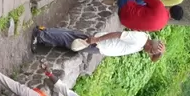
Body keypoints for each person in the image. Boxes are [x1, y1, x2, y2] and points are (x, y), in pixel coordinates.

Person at [31, 26, 165, 61]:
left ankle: (44, 33)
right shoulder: (140, 39)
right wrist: (96, 40)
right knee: (70, 41)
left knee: (71, 37)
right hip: (100, 44)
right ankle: (40, 35)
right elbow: (117, 34)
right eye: (152, 52)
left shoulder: (141, 44)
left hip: (102, 47)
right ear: (150, 46)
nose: (149, 54)